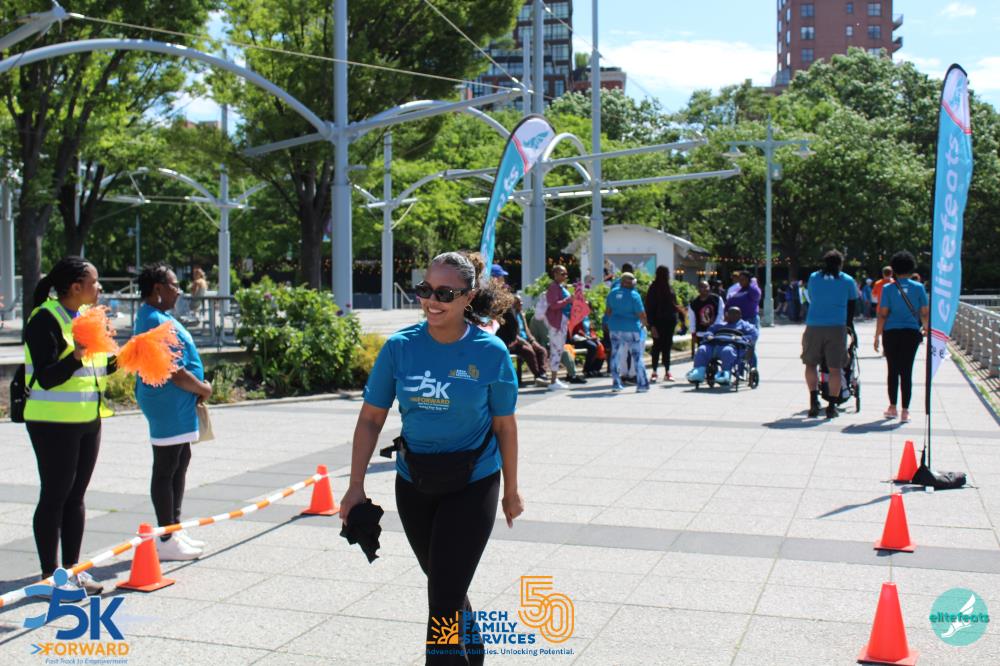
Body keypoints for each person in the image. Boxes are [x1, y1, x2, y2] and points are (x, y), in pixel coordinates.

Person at [339, 251, 523, 666]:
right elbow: (370, 419)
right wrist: (355, 487)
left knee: (442, 599)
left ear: (468, 297)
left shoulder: (490, 352)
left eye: (444, 293)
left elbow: (505, 426)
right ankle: (473, 654)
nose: (431, 301)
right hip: (415, 483)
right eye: (425, 290)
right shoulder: (400, 347)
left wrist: (511, 490)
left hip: (474, 482)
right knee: (446, 587)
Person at [22, 257, 115, 594]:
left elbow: (97, 367)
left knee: (76, 497)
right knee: (54, 496)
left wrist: (130, 356)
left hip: (87, 419)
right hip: (52, 423)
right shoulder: (44, 318)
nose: (99, 287)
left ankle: (73, 570)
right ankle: (51, 577)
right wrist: (75, 356)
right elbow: (46, 377)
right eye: (94, 282)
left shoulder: (86, 316)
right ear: (76, 287)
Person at [133, 263, 212, 561]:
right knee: (167, 467)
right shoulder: (153, 319)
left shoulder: (159, 316)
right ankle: (166, 536)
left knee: (180, 460)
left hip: (178, 403)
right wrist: (203, 389)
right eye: (174, 285)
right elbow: (173, 371)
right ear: (158, 289)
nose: (179, 290)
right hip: (167, 403)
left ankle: (173, 528)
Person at [874, 251, 929, 423]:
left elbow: (883, 314)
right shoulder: (919, 288)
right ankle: (905, 410)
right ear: (911, 267)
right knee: (907, 370)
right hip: (911, 332)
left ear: (894, 268)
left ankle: (892, 407)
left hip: (891, 332)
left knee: (892, 369)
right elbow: (924, 313)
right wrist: (926, 329)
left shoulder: (888, 288)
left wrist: (877, 335)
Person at [802, 250, 857, 419]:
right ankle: (832, 406)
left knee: (810, 364)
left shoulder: (813, 277)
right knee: (835, 368)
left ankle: (813, 401)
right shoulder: (847, 280)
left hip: (814, 325)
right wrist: (849, 327)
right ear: (840, 263)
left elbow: (811, 297)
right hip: (837, 327)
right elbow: (852, 305)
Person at [686, 307, 759, 385]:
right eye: (730, 314)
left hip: (733, 346)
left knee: (727, 351)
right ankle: (698, 372)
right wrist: (709, 335)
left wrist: (742, 338)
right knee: (702, 349)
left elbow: (753, 335)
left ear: (739, 315)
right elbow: (710, 331)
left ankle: (725, 374)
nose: (731, 316)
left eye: (734, 314)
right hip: (715, 345)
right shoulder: (720, 325)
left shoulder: (745, 325)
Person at [605, 272, 649, 393]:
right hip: (632, 328)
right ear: (627, 282)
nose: (634, 284)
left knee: (615, 355)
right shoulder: (634, 295)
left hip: (615, 327)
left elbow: (608, 311)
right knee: (637, 356)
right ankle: (642, 385)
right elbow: (641, 314)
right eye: (632, 281)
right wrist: (644, 324)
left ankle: (616, 384)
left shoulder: (612, 293)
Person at [496, 296, 550, 388]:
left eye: (521, 302)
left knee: (542, 350)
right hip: (514, 342)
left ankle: (542, 374)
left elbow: (527, 330)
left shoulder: (521, 315)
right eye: (519, 302)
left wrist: (532, 341)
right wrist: (526, 343)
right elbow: (513, 334)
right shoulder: (509, 315)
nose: (521, 304)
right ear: (513, 303)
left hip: (525, 340)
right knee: (529, 351)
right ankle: (538, 376)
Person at [645, 265, 684, 382]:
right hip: (658, 322)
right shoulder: (654, 288)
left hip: (668, 322)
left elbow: (674, 304)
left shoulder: (668, 287)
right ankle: (655, 371)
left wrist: (680, 316)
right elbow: (649, 308)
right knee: (657, 347)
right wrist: (651, 325)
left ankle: (666, 371)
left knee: (666, 346)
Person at [529, 312, 586, 385]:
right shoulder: (536, 319)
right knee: (561, 352)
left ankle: (572, 375)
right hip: (541, 346)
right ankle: (545, 376)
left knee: (565, 351)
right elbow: (534, 336)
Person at [543, 265, 574, 389]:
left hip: (562, 322)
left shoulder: (559, 287)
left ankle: (554, 379)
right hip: (556, 323)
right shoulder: (553, 287)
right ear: (555, 274)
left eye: (566, 274)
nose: (565, 276)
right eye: (562, 273)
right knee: (556, 350)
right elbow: (553, 305)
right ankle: (553, 381)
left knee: (559, 350)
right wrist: (568, 300)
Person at [688, 281, 725, 358]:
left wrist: (715, 327)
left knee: (715, 355)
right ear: (698, 289)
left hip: (715, 333)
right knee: (703, 355)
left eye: (707, 287)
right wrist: (693, 333)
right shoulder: (693, 303)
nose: (705, 289)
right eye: (702, 287)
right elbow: (692, 320)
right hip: (701, 333)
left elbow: (721, 314)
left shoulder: (717, 299)